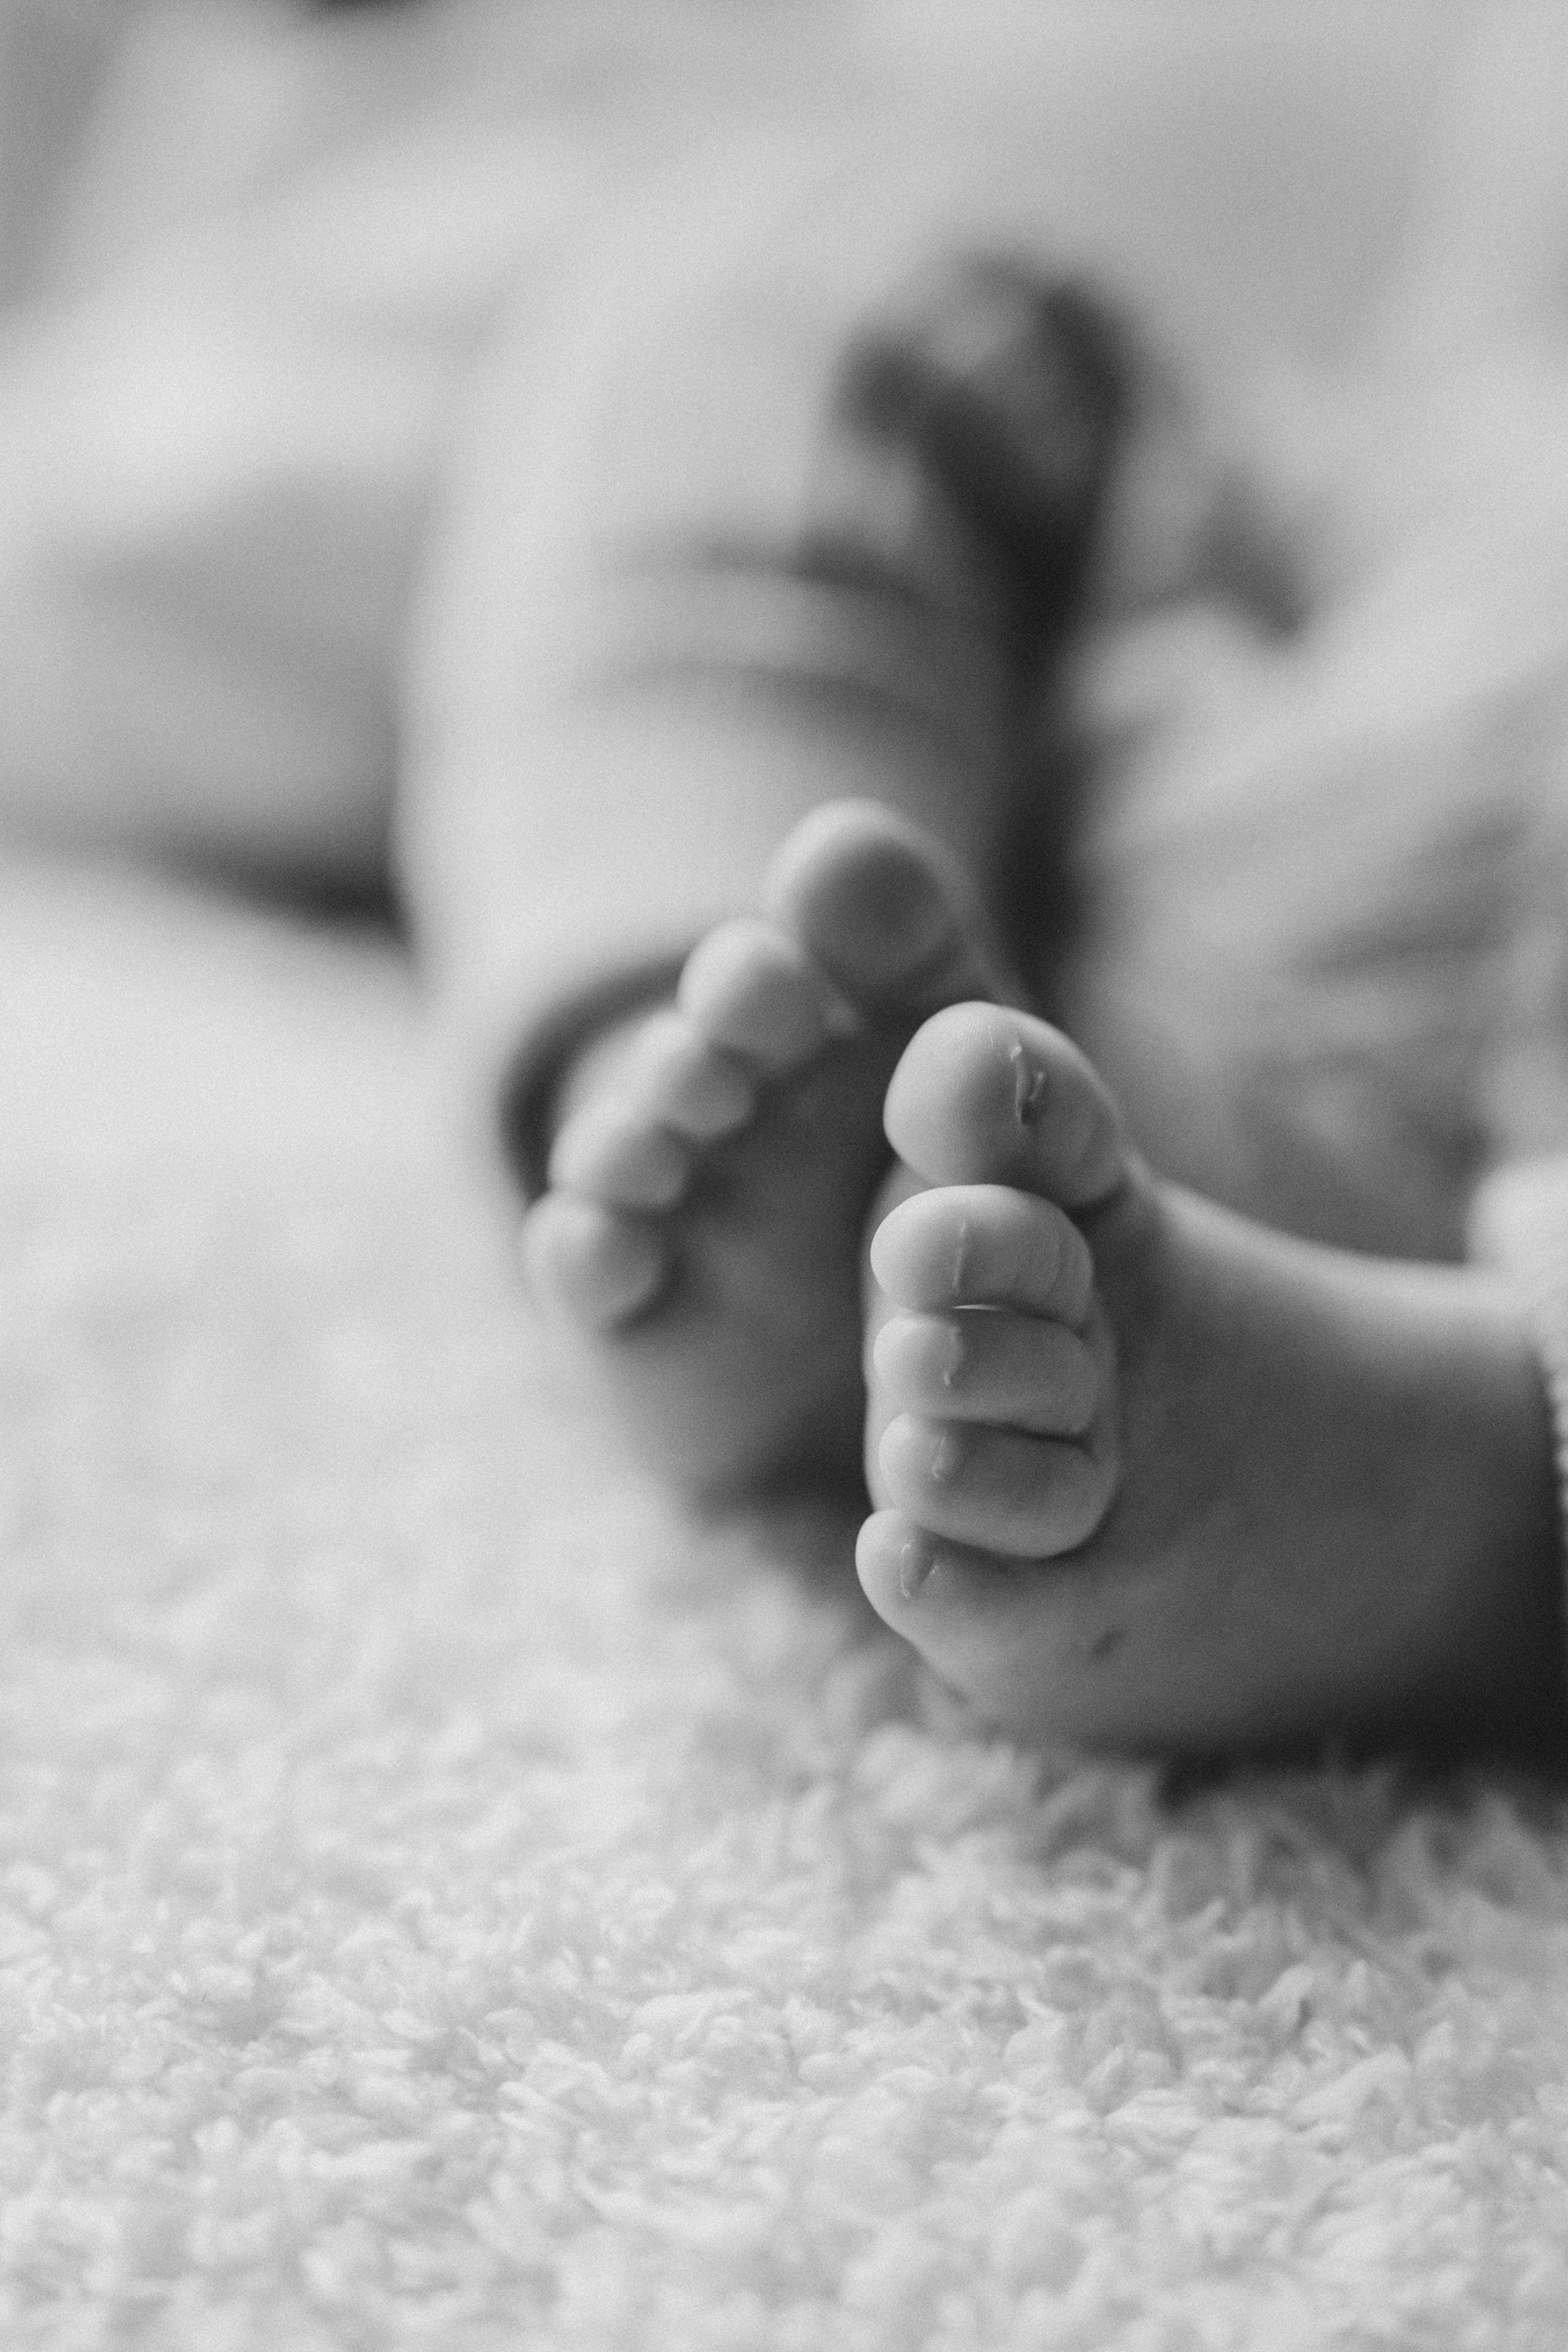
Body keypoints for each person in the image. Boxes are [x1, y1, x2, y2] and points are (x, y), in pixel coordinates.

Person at [4, 1, 1567, 1759]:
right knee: (779, 253)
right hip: (1217, 711)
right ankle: (717, 989)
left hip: (1439, 1162)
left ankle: (1443, 1480)